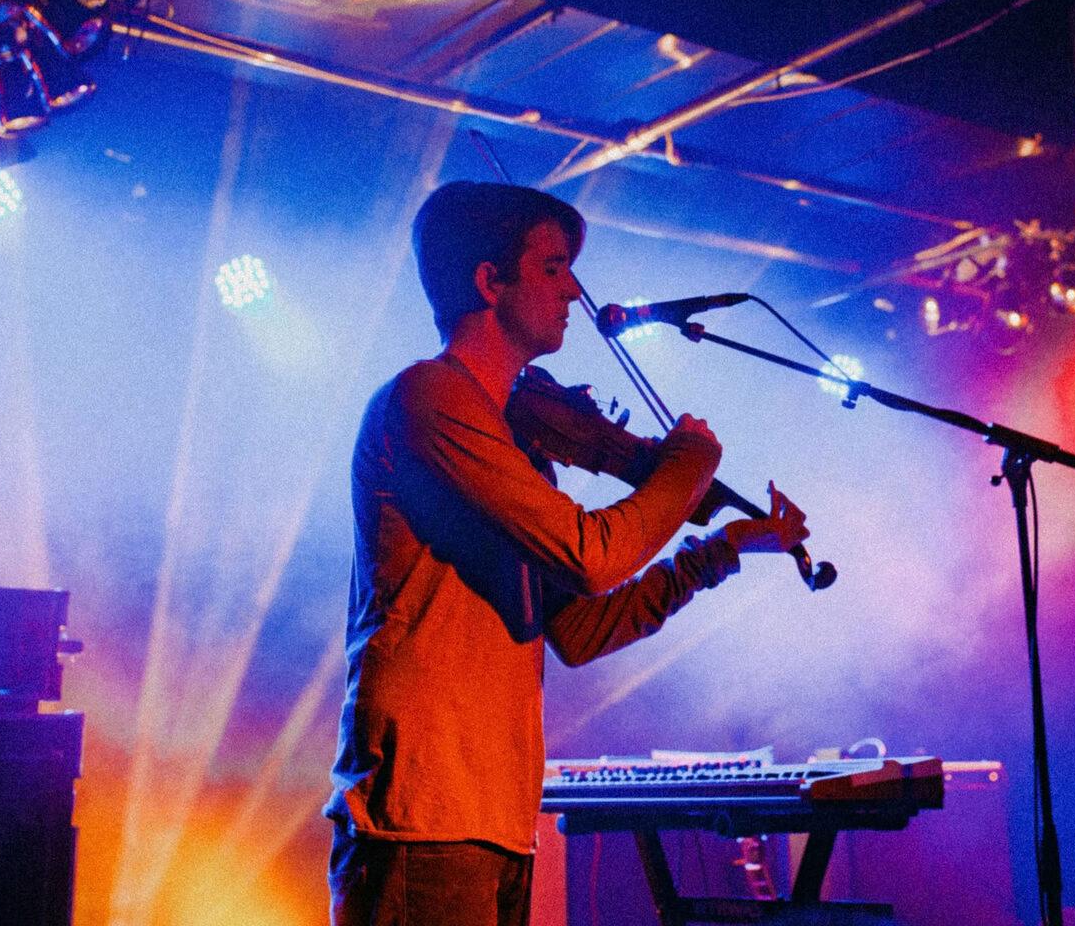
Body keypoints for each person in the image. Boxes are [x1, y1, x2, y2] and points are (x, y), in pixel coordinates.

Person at [326, 181, 807, 926]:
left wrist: (719, 551)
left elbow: (579, 628)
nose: (575, 291)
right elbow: (591, 555)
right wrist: (686, 463)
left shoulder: (510, 440)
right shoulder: (430, 398)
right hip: (423, 813)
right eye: (552, 268)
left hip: (487, 813)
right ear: (490, 281)